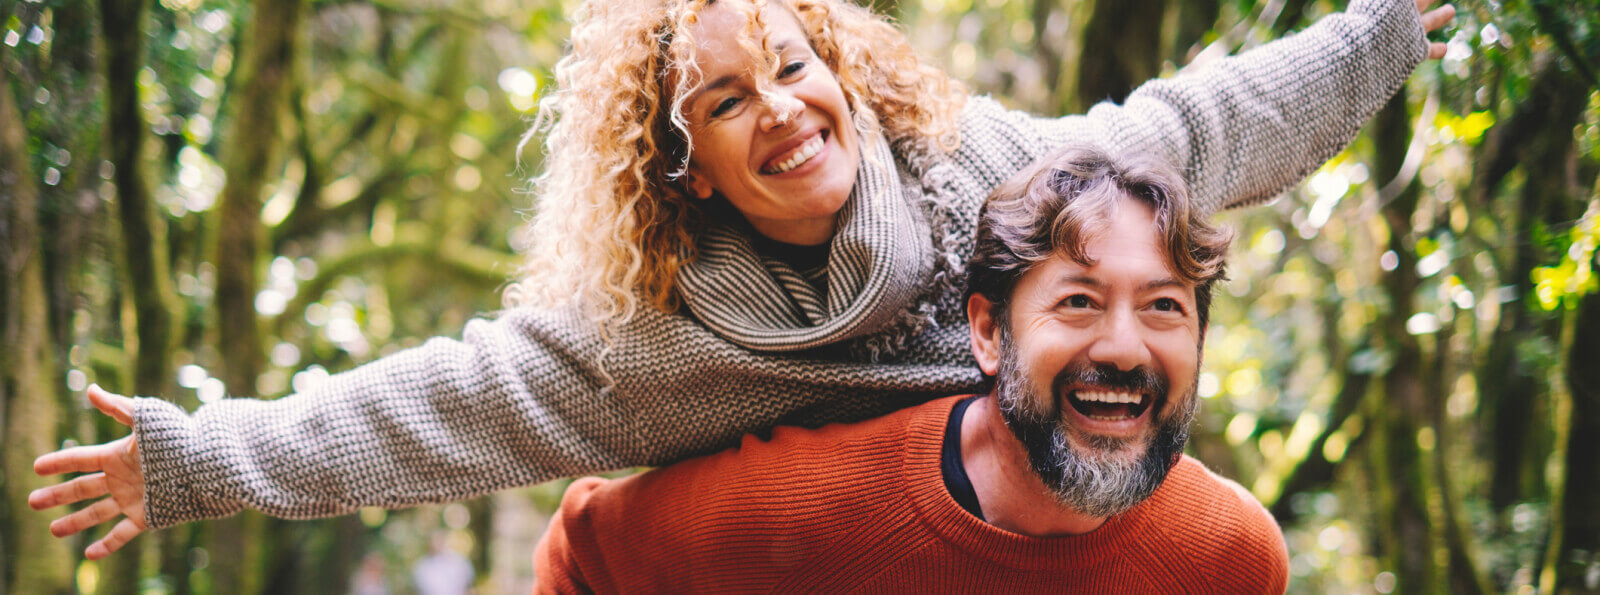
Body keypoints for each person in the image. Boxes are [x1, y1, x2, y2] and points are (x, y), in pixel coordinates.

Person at [30, 0, 1455, 561]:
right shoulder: (652, 342)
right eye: (723, 102)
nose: (780, 106)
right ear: (688, 167)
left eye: (794, 65)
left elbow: (1196, 129)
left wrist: (1387, 32)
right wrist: (194, 456)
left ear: (845, 75)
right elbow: (434, 406)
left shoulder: (984, 176)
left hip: (1029, 513)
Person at [533, 144, 1275, 591]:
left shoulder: (1232, 556)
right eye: (1078, 301)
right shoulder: (808, 510)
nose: (1122, 347)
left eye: (1164, 308)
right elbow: (586, 554)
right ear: (989, 332)